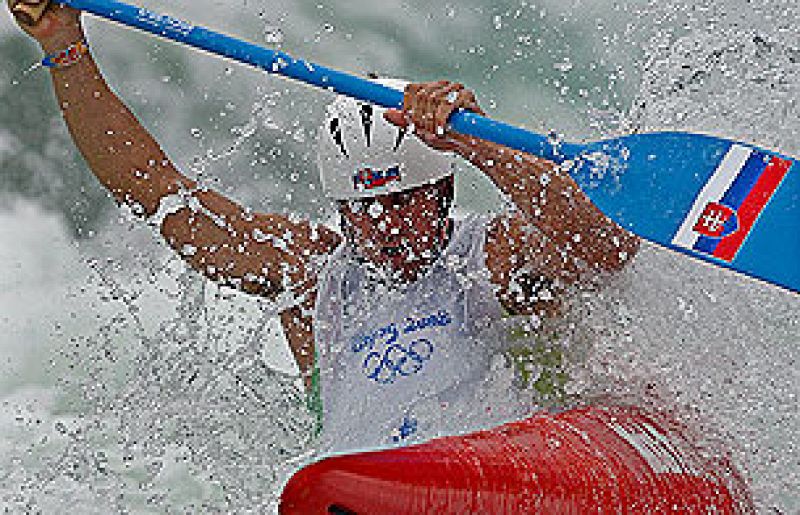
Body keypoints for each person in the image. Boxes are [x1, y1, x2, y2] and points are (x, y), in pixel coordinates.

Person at [9, 2, 640, 453]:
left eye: (403, 202)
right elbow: (155, 192)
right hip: (350, 492)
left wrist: (483, 146)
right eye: (363, 210)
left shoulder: (492, 256)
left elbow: (608, 247)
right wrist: (65, 48)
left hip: (494, 478)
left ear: (444, 187)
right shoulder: (311, 277)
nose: (384, 225)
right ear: (339, 209)